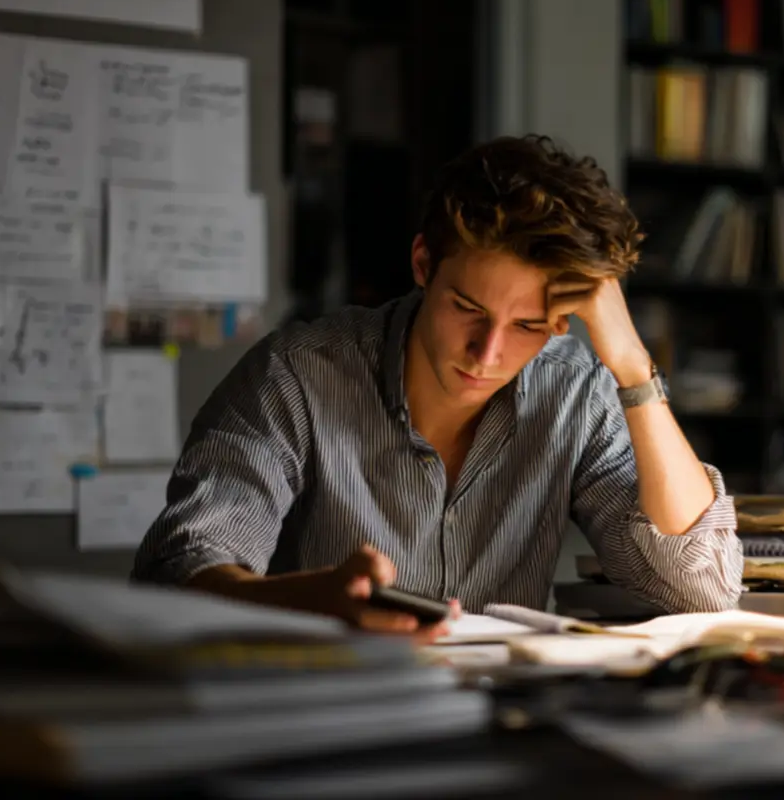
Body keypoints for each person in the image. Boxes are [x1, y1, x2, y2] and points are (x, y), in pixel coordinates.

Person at [132, 135, 744, 638]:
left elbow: (699, 586)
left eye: (527, 325)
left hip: (502, 727)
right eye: (467, 308)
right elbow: (176, 576)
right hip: (328, 723)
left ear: (561, 320)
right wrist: (303, 601)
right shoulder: (298, 374)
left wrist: (634, 369)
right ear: (423, 264)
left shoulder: (575, 393)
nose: (488, 351)